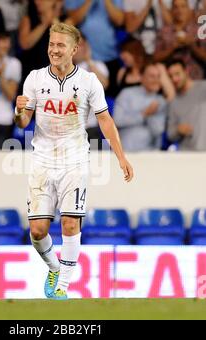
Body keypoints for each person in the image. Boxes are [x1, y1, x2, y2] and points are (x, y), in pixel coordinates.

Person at [14, 23, 133, 300]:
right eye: (51, 44)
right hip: (42, 160)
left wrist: (121, 157)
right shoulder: (34, 78)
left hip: (75, 159)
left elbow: (105, 120)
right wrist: (19, 110)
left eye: (60, 45)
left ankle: (62, 288)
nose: (54, 50)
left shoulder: (89, 81)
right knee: (37, 230)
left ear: (74, 49)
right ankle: (54, 268)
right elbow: (23, 122)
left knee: (69, 223)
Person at [113, 63, 175, 151]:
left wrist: (150, 116)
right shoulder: (126, 94)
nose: (156, 80)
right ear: (141, 77)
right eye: (152, 76)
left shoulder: (160, 101)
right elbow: (117, 121)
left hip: (150, 153)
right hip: (127, 149)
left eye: (158, 77)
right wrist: (144, 114)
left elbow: (158, 131)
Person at [154, 0, 206, 80]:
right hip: (172, 79)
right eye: (176, 7)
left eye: (183, 6)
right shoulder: (164, 31)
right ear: (171, 10)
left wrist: (191, 45)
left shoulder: (198, 30)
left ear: (188, 9)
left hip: (195, 79)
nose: (179, 10)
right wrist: (173, 48)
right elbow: (156, 57)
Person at [167, 58, 206, 151]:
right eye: (171, 76)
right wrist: (178, 130)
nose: (174, 79)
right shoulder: (173, 102)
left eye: (177, 74)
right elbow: (170, 135)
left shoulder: (203, 88)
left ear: (186, 71)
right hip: (187, 154)